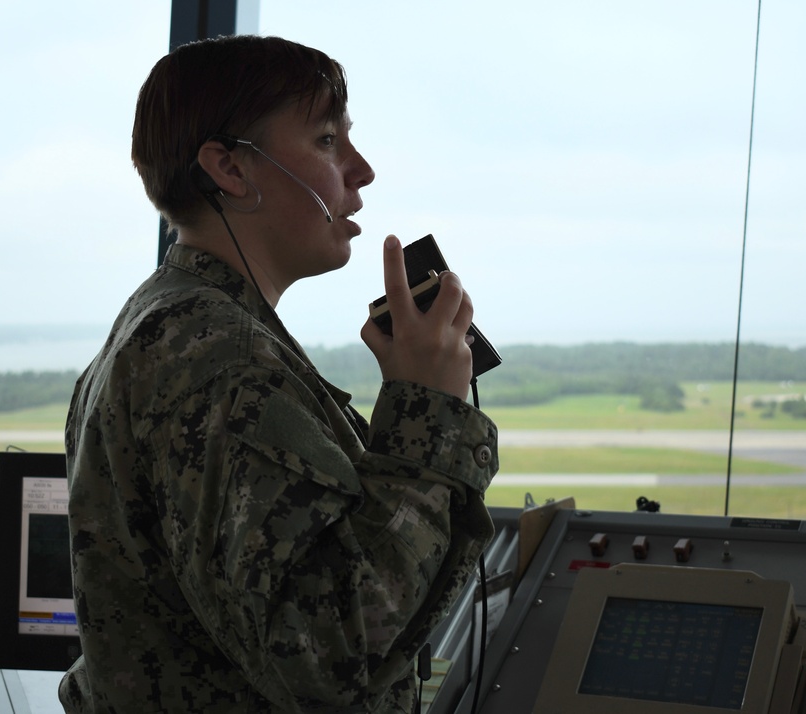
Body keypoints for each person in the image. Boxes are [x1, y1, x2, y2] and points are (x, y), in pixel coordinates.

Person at [61, 34, 498, 713]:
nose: (362, 170)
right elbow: (326, 657)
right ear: (231, 170)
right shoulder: (220, 359)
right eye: (327, 141)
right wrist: (426, 412)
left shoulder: (169, 322)